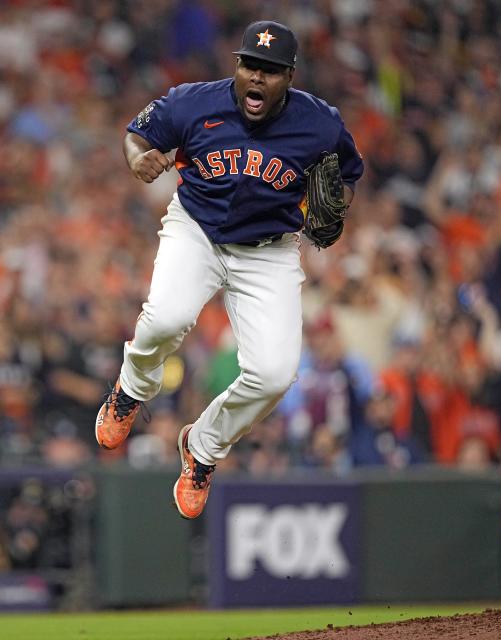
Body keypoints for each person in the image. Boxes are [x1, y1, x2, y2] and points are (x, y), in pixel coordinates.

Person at [95, 20, 364, 518]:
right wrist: (137, 159)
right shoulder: (193, 101)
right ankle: (131, 390)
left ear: (290, 76)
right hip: (197, 229)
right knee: (165, 319)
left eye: (271, 70)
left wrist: (337, 208)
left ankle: (202, 447)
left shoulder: (320, 123)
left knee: (275, 374)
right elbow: (138, 134)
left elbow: (347, 174)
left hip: (268, 249)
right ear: (236, 66)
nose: (257, 78)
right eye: (250, 65)